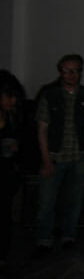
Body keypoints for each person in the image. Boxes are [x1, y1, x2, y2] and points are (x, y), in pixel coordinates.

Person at [34, 54, 84, 255]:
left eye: (74, 71)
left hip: (79, 157)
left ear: (80, 72)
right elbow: (42, 130)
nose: (71, 75)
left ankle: (69, 235)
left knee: (74, 201)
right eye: (66, 71)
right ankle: (44, 238)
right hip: (55, 156)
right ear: (60, 72)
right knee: (47, 201)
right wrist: (46, 160)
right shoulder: (50, 95)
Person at [0, 70, 25, 266]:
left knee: (4, 219)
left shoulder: (11, 116)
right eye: (9, 96)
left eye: (15, 96)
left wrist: (16, 145)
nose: (13, 101)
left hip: (6, 176)